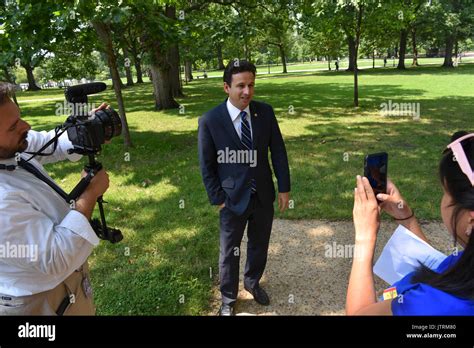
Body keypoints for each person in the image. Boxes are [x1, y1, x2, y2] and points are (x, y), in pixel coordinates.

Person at [0, 82, 110, 315]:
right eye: (13, 127)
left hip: (66, 284)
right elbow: (56, 257)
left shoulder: (10, 148)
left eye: (19, 118)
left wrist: (86, 129)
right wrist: (88, 196)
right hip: (41, 301)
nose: (26, 126)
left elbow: (52, 144)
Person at [198, 60, 291, 316]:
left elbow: (278, 152)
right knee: (229, 251)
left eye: (251, 85)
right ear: (226, 87)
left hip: (263, 194)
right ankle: (228, 297)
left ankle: (252, 282)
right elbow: (206, 165)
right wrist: (218, 198)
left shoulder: (265, 113)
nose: (247, 91)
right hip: (231, 199)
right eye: (240, 86)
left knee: (259, 243)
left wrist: (284, 187)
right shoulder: (210, 121)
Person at [347, 131, 474, 315]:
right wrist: (406, 218)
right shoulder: (466, 262)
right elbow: (437, 268)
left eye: (446, 193)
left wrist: (364, 237)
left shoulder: (431, 305)